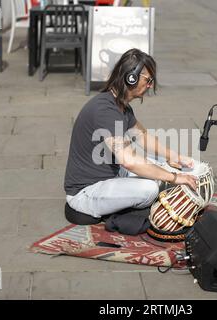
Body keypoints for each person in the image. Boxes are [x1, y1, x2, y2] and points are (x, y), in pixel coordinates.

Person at [63, 48, 197, 228]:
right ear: (131, 78)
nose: (150, 85)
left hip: (110, 176)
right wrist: (173, 177)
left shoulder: (121, 107)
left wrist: (173, 157)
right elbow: (128, 161)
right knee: (150, 188)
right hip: (85, 193)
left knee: (157, 165)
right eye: (148, 80)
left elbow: (141, 136)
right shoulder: (105, 110)